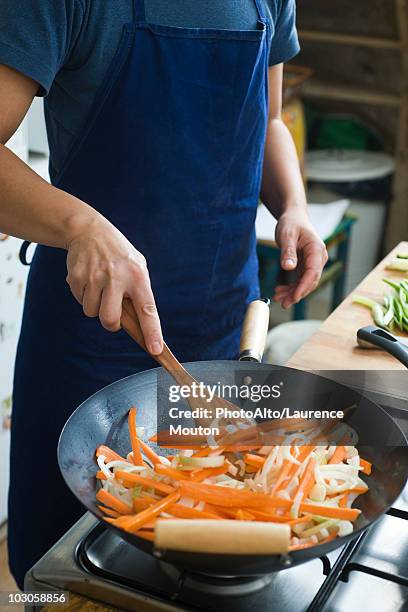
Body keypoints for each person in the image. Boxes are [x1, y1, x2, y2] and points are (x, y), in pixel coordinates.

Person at [0, 0, 327, 588]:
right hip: (88, 337)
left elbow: (271, 119)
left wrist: (294, 205)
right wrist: (81, 227)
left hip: (222, 321)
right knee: (67, 575)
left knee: (204, 560)